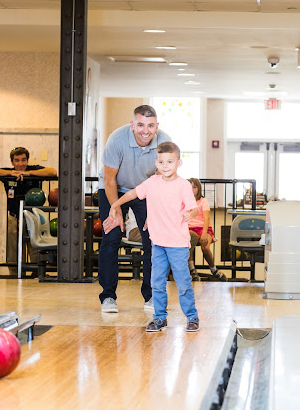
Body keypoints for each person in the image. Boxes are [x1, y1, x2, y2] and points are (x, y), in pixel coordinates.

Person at [104, 142, 200, 332]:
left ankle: (192, 317)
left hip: (178, 244)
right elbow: (132, 193)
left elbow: (194, 207)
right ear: (156, 162)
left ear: (179, 163)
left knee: (183, 283)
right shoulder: (151, 183)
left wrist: (191, 214)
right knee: (156, 283)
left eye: (170, 162)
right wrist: (115, 205)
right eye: (162, 161)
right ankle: (159, 318)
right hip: (158, 243)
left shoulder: (183, 185)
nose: (165, 166)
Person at [97, 105, 171, 313]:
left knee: (153, 239)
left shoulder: (164, 143)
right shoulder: (117, 139)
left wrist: (155, 211)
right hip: (114, 189)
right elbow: (110, 179)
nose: (145, 131)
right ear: (132, 125)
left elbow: (161, 180)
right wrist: (116, 209)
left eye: (150, 126)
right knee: (112, 236)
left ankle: (151, 296)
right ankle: (108, 297)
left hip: (145, 190)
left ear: (157, 126)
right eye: (140, 125)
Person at [0, 147, 57, 271]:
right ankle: (14, 276)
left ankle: (36, 274)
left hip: (33, 217)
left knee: (35, 248)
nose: (20, 164)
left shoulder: (34, 170)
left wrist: (29, 174)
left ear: (27, 160)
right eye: (17, 161)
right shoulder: (9, 172)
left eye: (23, 160)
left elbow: (53, 172)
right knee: (13, 250)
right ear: (12, 162)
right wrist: (10, 174)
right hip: (14, 216)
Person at [187, 177, 227, 282]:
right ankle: (192, 270)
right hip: (190, 229)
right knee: (187, 242)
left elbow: (206, 218)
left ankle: (214, 269)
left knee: (205, 247)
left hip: (204, 228)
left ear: (198, 189)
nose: (192, 190)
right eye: (189, 187)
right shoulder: (184, 202)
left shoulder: (203, 201)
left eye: (194, 187)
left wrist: (204, 233)